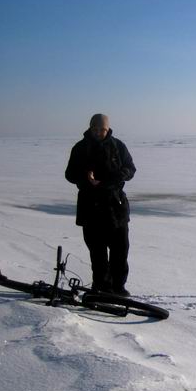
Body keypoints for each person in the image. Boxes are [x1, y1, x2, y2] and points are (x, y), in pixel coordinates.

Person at [65, 114, 136, 295]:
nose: (98, 132)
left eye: (102, 129)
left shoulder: (118, 146)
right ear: (90, 128)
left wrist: (119, 175)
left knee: (120, 250)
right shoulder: (80, 148)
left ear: (108, 129)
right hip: (91, 207)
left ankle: (118, 287)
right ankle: (101, 286)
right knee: (97, 253)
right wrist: (85, 176)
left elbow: (130, 168)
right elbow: (70, 174)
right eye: (95, 129)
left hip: (115, 206)